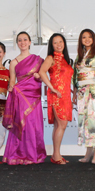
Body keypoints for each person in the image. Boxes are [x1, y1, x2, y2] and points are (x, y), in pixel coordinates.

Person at [2, 31, 47, 165]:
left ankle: (34, 154)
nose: (23, 42)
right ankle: (19, 155)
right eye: (20, 40)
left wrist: (39, 76)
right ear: (17, 43)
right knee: (23, 126)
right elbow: (12, 82)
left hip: (35, 97)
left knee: (35, 126)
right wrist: (11, 88)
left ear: (29, 42)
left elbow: (43, 75)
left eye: (25, 40)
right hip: (21, 97)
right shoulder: (14, 63)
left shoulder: (38, 60)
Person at [73, 29, 95, 164]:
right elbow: (75, 76)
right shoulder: (79, 56)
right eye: (84, 37)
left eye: (89, 37)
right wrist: (75, 94)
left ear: (94, 38)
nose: (87, 39)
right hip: (82, 92)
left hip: (93, 90)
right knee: (84, 120)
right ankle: (88, 151)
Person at [39, 33, 73, 165]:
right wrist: (52, 88)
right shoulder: (51, 57)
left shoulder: (66, 59)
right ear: (51, 45)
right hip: (57, 95)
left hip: (66, 95)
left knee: (59, 125)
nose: (59, 44)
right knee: (62, 125)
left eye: (61, 42)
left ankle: (55, 154)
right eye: (55, 42)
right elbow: (42, 72)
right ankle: (56, 155)